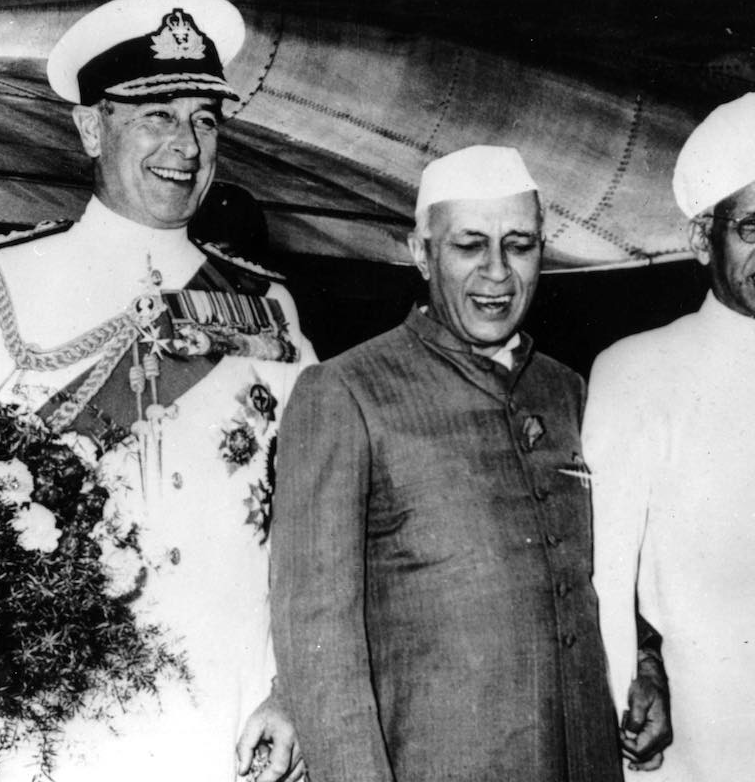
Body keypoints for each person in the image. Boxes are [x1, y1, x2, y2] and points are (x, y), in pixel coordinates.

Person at [0, 0, 315, 782]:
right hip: (56, 712)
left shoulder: (269, 306)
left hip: (231, 705)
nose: (185, 144)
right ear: (92, 127)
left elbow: (317, 514)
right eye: (156, 114)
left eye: (204, 118)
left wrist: (290, 688)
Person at [271, 146, 646, 782]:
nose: (497, 272)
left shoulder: (567, 390)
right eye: (470, 245)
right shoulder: (345, 392)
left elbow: (612, 572)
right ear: (421, 252)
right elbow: (317, 636)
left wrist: (651, 668)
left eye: (519, 245)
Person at [585, 90, 755, 780]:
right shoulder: (636, 371)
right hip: (697, 733)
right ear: (704, 239)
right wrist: (628, 698)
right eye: (753, 226)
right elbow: (606, 575)